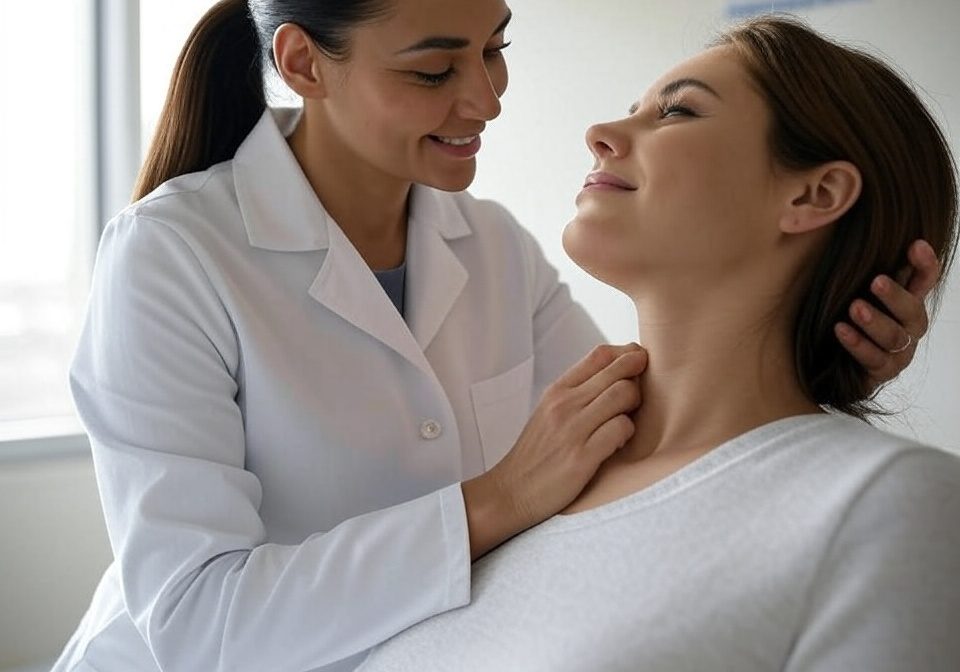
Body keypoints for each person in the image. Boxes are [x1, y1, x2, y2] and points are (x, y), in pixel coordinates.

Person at [51, 2, 938, 670]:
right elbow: (198, 624)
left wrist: (833, 340)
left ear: (814, 196)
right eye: (435, 72)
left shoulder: (494, 248)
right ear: (304, 65)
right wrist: (492, 501)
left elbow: (656, 412)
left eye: (495, 48)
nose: (486, 98)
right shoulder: (175, 253)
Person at [355, 15, 960, 672]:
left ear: (815, 194)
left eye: (677, 112)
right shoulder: (530, 482)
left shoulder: (887, 504)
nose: (599, 135)